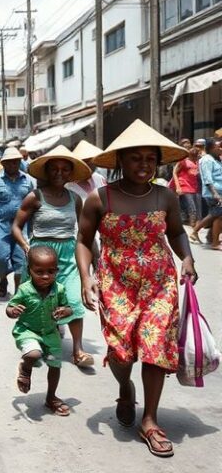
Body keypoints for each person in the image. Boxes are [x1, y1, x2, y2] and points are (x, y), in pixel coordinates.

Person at [76, 119, 197, 458]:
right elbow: (84, 241)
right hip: (116, 284)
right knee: (120, 351)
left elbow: (176, 233)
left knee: (155, 345)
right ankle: (125, 388)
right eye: (135, 158)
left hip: (159, 284)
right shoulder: (100, 199)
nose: (144, 165)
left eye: (150, 159)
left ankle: (150, 420)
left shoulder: (166, 196)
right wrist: (87, 278)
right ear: (119, 161)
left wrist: (186, 258)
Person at [12, 145, 93, 367]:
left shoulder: (76, 199)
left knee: (74, 300)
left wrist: (95, 261)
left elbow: (84, 233)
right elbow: (16, 227)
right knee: (38, 302)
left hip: (67, 256)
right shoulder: (34, 197)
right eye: (54, 169)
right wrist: (26, 247)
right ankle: (35, 342)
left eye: (64, 169)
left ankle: (78, 350)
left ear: (70, 173)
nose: (59, 173)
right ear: (47, 172)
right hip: (40, 256)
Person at [6, 245, 72, 417]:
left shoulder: (60, 289)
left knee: (55, 365)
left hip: (51, 334)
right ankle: (26, 369)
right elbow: (10, 307)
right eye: (39, 271)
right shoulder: (24, 289)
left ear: (57, 270)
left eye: (51, 271)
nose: (45, 276)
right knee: (33, 354)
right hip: (28, 331)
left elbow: (68, 308)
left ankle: (51, 397)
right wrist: (13, 311)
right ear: (29, 271)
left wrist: (64, 311)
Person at [0, 147, 34, 297]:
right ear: (3, 163)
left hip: (22, 226)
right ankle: (3, 279)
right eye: (9, 163)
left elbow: (35, 204)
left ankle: (18, 294)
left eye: (15, 162)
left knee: (21, 259)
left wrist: (34, 227)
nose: (12, 165)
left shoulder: (28, 180)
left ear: (19, 162)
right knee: (0, 258)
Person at [190, 137, 222, 248]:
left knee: (215, 215)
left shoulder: (216, 159)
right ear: (212, 148)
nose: (220, 149)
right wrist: (215, 193)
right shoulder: (207, 160)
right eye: (218, 147)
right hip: (213, 192)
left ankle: (209, 237)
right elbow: (207, 178)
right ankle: (214, 242)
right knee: (217, 215)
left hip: (218, 192)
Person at [173, 145, 202, 227]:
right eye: (194, 155)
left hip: (194, 188)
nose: (196, 157)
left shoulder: (196, 162)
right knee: (192, 209)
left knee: (195, 210)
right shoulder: (183, 161)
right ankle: (193, 229)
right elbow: (175, 172)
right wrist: (178, 187)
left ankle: (193, 228)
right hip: (185, 186)